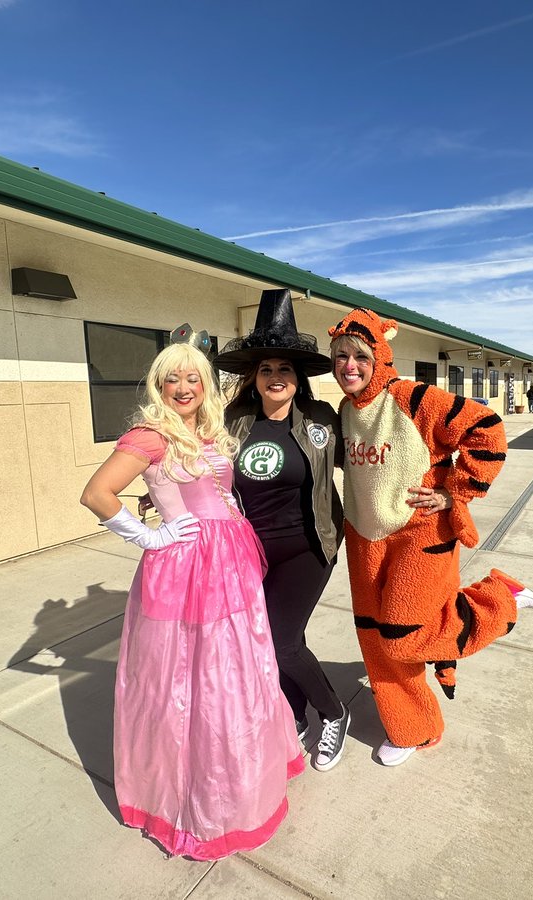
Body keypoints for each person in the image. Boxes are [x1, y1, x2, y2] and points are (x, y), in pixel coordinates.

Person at [79, 325, 303, 860]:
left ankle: (241, 782)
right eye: (172, 378)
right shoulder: (150, 435)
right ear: (158, 386)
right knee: (186, 682)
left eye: (192, 377)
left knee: (232, 675)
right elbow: (96, 493)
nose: (184, 386)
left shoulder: (206, 433)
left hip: (231, 564)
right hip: (184, 568)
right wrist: (149, 535)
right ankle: (195, 802)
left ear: (206, 383)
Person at [328, 308, 533, 767]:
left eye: (360, 356)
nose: (350, 365)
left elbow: (487, 430)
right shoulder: (345, 411)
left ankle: (498, 599)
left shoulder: (413, 398)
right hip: (365, 535)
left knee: (405, 636)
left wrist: (454, 492)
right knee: (375, 641)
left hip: (419, 534)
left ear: (379, 356)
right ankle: (412, 728)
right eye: (341, 355)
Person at [214, 288, 350, 772]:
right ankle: (293, 711)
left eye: (284, 369)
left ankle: (333, 712)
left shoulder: (322, 420)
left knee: (281, 639)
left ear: (298, 378)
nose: (276, 376)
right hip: (251, 551)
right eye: (267, 368)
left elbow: (369, 463)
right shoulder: (233, 421)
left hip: (310, 545)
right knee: (268, 639)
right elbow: (201, 465)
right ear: (255, 376)